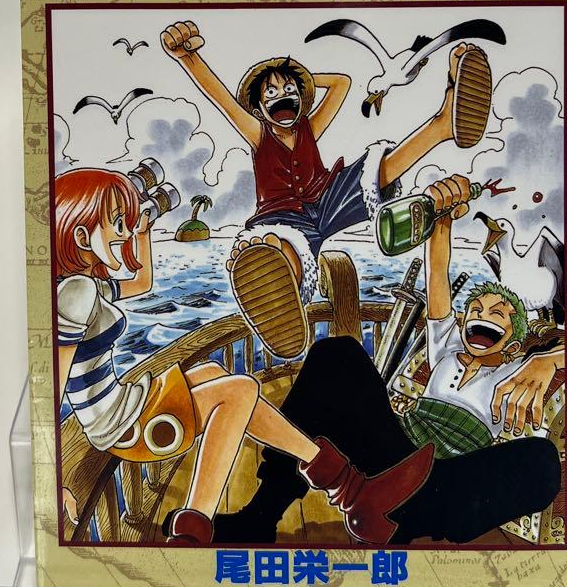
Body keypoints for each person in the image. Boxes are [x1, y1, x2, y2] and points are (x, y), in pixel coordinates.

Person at [54, 166, 435, 546]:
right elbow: (55, 378)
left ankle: (352, 491)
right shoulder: (76, 292)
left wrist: (144, 229)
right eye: (117, 223)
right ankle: (192, 530)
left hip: (127, 403)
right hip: (119, 424)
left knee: (213, 372)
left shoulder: (86, 285)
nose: (124, 233)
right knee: (238, 390)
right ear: (81, 235)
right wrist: (55, 478)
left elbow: (141, 283)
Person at [215, 174, 563, 545]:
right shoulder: (446, 347)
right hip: (391, 455)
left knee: (542, 461)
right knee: (338, 354)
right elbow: (437, 272)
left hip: (443, 479)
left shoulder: (516, 371)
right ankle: (261, 515)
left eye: (497, 314)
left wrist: (548, 360)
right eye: (475, 309)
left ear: (514, 341)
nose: (481, 315)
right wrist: (442, 218)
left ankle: (395, 509)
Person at [160, 19, 492, 360]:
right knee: (285, 247)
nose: (282, 96)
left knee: (374, 171)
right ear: (258, 109)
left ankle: (442, 124)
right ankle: (274, 285)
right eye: (270, 93)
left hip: (327, 199)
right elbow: (221, 99)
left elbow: (341, 83)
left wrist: (301, 77)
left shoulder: (309, 127)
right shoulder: (259, 134)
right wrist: (188, 57)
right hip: (285, 216)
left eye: (289, 90)